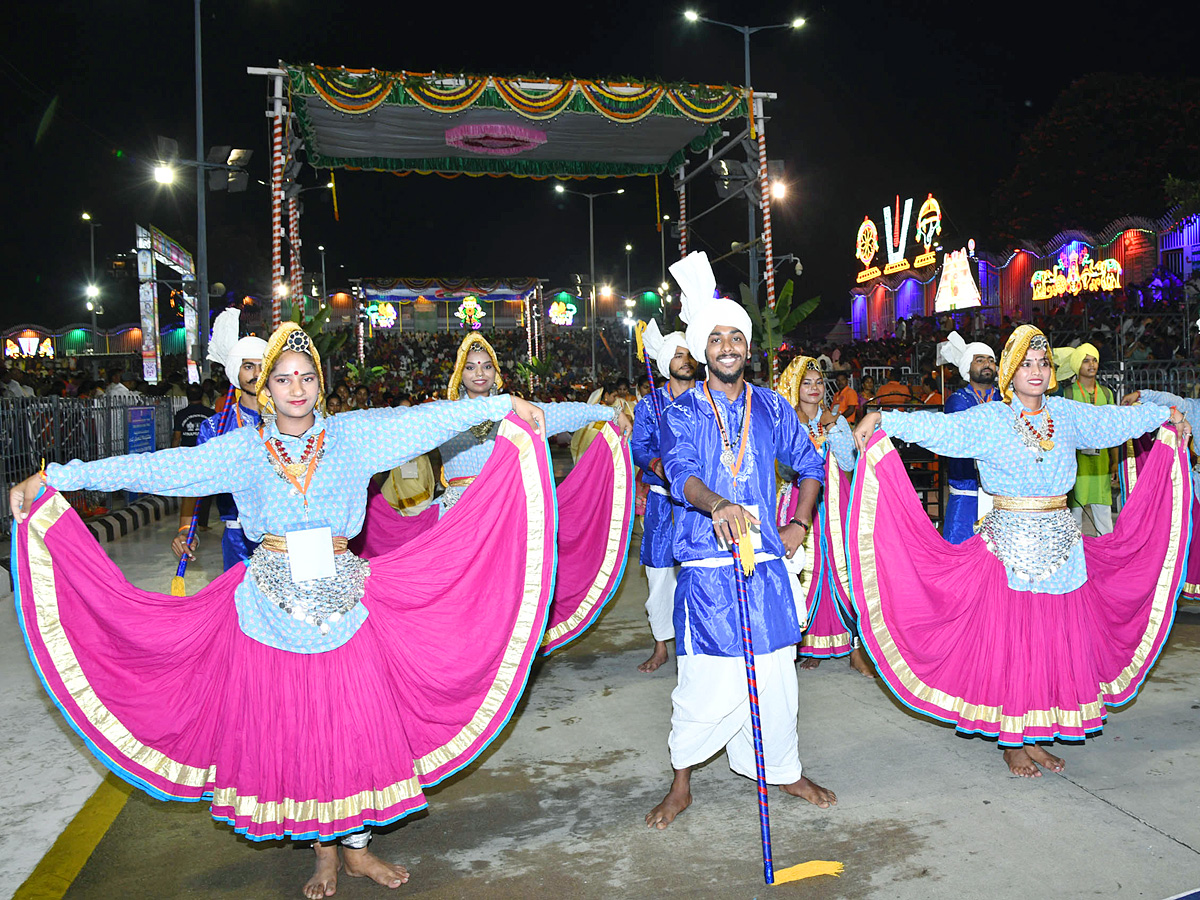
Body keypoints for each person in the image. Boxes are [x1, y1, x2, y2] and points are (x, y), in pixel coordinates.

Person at [10, 322, 554, 898]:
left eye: (307, 377)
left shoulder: (355, 437)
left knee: (352, 727)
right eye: (283, 379)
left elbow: (430, 419)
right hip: (269, 611)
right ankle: (324, 854)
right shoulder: (242, 450)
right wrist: (58, 477)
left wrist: (505, 403)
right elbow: (156, 468)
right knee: (301, 730)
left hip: (345, 602)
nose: (296, 388)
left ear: (320, 385)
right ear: (265, 390)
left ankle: (358, 850)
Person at [851, 325, 1190, 777]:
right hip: (1008, 551)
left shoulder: (1066, 415)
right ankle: (1013, 742)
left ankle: (1036, 734)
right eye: (1026, 363)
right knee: (1015, 645)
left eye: (1043, 363)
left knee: (1051, 644)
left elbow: (1116, 422)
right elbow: (941, 429)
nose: (1036, 371)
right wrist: (886, 420)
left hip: (1064, 550)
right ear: (1010, 372)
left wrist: (1165, 413)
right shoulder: (992, 418)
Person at [646, 251, 836, 830]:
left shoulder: (775, 407)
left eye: (737, 337)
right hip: (706, 562)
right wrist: (717, 506)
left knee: (777, 669)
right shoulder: (681, 412)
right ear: (703, 347)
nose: (727, 346)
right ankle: (682, 782)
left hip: (767, 562)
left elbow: (811, 466)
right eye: (716, 337)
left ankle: (783, 768)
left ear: (748, 347)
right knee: (704, 676)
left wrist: (799, 523)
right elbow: (679, 473)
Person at [353, 333, 634, 655]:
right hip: (457, 516)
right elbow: (403, 428)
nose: (480, 373)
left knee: (504, 588)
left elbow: (560, 413)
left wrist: (609, 414)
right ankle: (463, 654)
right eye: (471, 367)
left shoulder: (516, 413)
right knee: (459, 590)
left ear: (496, 372)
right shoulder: (446, 414)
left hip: (502, 514)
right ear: (460, 375)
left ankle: (502, 654)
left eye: (486, 366)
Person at [774, 357, 872, 677]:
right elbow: (785, 468)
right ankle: (810, 643)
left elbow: (847, 461)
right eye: (807, 382)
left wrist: (832, 427)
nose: (814, 388)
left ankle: (855, 648)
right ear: (794, 387)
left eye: (819, 382)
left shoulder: (836, 419)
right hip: (800, 505)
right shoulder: (787, 422)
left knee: (843, 571)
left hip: (836, 503)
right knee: (804, 572)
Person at [170, 309, 267, 571]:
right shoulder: (214, 428)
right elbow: (196, 482)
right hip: (237, 540)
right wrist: (185, 530)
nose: (256, 373)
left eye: (262, 365)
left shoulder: (292, 419)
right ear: (236, 371)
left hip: (286, 537)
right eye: (248, 366)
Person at [630, 321, 694, 674]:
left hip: (699, 502)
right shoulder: (649, 405)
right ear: (666, 361)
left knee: (698, 570)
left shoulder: (705, 397)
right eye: (678, 355)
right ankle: (660, 645)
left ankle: (693, 641)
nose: (685, 361)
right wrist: (658, 464)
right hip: (661, 501)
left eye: (688, 355)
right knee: (658, 575)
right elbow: (638, 447)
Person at [938, 333, 1000, 544]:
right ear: (968, 367)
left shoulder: (1005, 398)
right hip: (967, 489)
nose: (987, 364)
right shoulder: (957, 400)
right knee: (960, 551)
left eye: (991, 360)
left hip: (1002, 489)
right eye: (980, 359)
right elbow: (965, 436)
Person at [1055, 343, 1116, 535]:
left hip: (1101, 462)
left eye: (1094, 360)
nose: (1091, 364)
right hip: (1077, 462)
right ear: (1077, 365)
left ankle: (1106, 558)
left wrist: (1114, 462)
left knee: (1104, 515)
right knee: (1074, 516)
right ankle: (1075, 559)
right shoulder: (1069, 393)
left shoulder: (1107, 393)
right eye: (1086, 360)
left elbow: (1114, 430)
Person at [171, 384, 214, 448]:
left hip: (187, 454)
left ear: (187, 396)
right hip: (207, 452)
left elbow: (177, 438)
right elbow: (216, 435)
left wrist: (173, 455)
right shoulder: (211, 413)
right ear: (202, 395)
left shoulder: (181, 414)